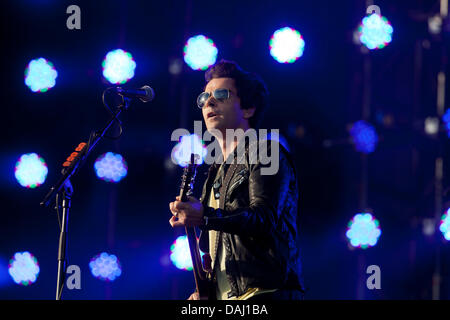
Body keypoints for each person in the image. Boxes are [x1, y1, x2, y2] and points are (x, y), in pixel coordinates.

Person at [169, 59, 305, 300]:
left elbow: (264, 219)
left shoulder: (265, 150)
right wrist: (209, 289)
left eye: (221, 94)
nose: (209, 102)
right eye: (204, 98)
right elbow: (221, 243)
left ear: (248, 108)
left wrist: (204, 216)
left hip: (265, 293)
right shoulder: (216, 169)